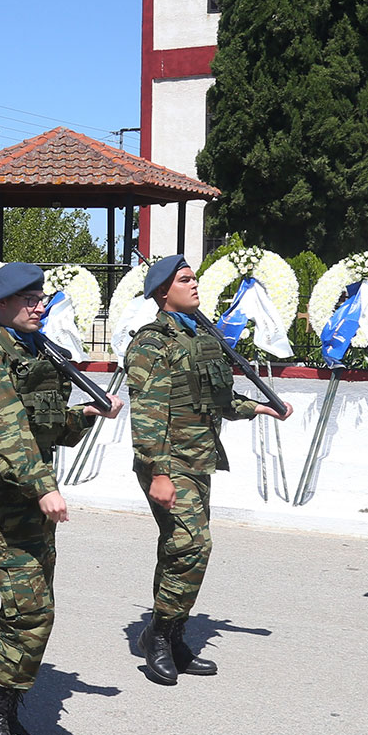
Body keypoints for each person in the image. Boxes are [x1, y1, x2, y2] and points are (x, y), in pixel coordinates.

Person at [0, 262, 123, 735]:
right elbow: (4, 429)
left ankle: (4, 710)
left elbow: (44, 422)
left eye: (41, 297)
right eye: (29, 298)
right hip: (3, 493)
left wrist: (84, 416)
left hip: (31, 491)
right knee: (31, 607)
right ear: (1, 303)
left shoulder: (33, 350)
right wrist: (43, 486)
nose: (40, 305)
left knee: (32, 605)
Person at [126, 255, 290, 686]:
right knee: (192, 545)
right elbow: (146, 415)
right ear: (164, 292)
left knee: (181, 550)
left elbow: (217, 398)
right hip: (168, 460)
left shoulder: (201, 336)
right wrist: (158, 472)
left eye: (194, 277)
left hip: (199, 459)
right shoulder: (151, 343)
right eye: (185, 280)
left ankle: (172, 635)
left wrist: (260, 408)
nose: (194, 284)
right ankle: (158, 636)